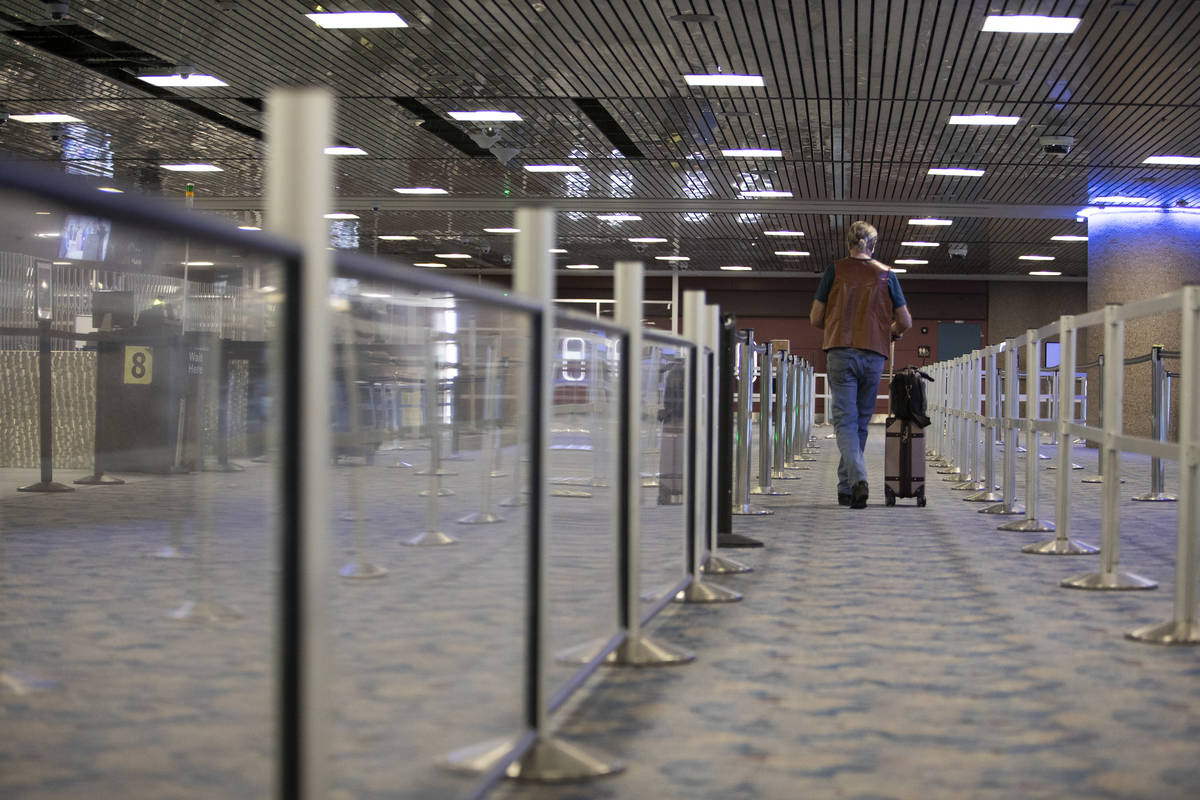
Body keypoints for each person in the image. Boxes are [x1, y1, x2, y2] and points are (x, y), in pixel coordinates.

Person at [809, 221, 912, 509]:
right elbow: (905, 321)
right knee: (861, 421)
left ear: (849, 244)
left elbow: (815, 318)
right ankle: (847, 487)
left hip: (840, 351)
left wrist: (837, 324)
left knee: (845, 420)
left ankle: (857, 480)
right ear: (873, 246)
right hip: (874, 354)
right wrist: (888, 332)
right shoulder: (887, 274)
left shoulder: (834, 271)